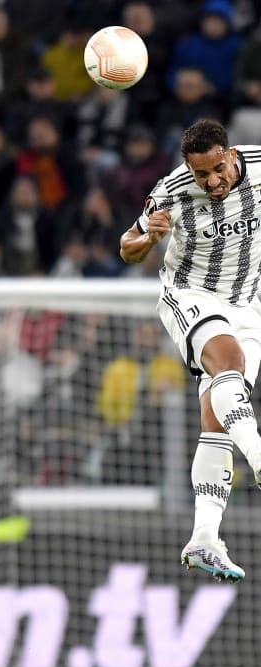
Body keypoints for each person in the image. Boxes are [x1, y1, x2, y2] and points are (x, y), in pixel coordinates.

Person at [120, 117, 261, 582]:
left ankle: (204, 537)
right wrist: (148, 239)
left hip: (249, 301)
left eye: (218, 169)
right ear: (189, 168)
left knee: (217, 418)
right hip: (192, 295)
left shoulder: (260, 165)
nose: (212, 181)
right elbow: (127, 247)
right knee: (229, 365)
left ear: (232, 154)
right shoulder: (173, 190)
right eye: (202, 174)